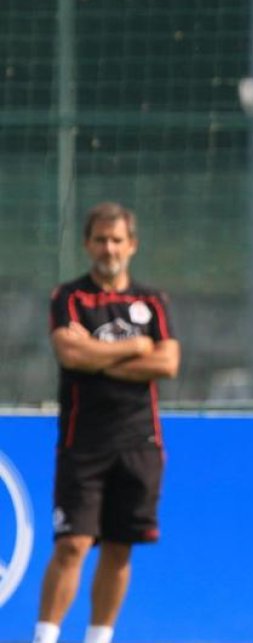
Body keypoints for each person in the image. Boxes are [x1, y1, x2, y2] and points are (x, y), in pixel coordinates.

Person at [35, 202, 180, 643]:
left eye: (117, 239)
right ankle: (45, 636)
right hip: (84, 443)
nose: (108, 247)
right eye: (100, 239)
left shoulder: (152, 301)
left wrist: (100, 359)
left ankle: (99, 637)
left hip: (140, 442)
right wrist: (137, 349)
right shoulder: (70, 298)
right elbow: (70, 353)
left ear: (131, 245)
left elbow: (168, 362)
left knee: (120, 547)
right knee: (73, 544)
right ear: (86, 243)